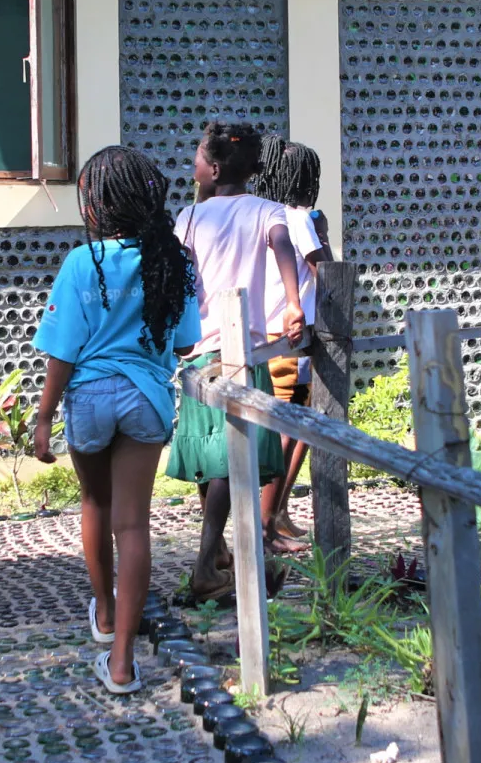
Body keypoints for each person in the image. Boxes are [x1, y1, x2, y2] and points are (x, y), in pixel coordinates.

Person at [31, 146, 203, 694]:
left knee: (95, 505)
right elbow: (186, 343)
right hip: (145, 398)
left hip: (89, 396)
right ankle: (124, 663)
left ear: (97, 204)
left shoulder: (83, 263)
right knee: (133, 525)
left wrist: (41, 420)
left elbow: (62, 351)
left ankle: (104, 615)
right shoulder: (173, 261)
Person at [169, 120, 305, 603]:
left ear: (216, 167)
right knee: (222, 457)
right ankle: (222, 553)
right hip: (243, 352)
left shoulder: (189, 217)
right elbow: (282, 247)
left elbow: (179, 272)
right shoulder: (267, 211)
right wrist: (292, 301)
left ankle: (209, 558)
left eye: (198, 160)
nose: (194, 167)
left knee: (219, 457)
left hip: (203, 347)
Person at [255, 136, 331, 551]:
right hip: (292, 337)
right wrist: (323, 233)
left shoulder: (261, 214)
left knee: (294, 424)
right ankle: (268, 524)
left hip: (264, 333)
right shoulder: (298, 219)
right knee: (292, 425)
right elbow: (328, 271)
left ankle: (278, 511)